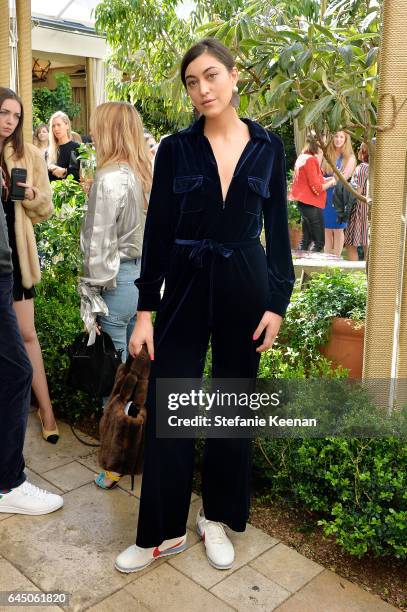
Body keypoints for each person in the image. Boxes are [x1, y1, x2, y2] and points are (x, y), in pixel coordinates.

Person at [115, 38, 295, 573]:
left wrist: (278, 301)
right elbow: (159, 233)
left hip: (246, 283)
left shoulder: (269, 146)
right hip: (187, 285)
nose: (202, 89)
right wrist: (146, 309)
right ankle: (162, 532)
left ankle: (215, 517)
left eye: (211, 75)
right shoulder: (174, 149)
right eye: (192, 81)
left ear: (235, 77)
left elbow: (279, 234)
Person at [78, 101, 152, 490]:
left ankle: (116, 462)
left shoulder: (109, 178)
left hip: (116, 282)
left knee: (118, 380)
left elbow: (97, 247)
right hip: (144, 283)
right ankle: (138, 453)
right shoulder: (145, 174)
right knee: (138, 375)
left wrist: (88, 294)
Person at [0, 87, 59, 447]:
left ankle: (47, 411)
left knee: (27, 334)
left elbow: (46, 209)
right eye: (4, 113)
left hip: (14, 259)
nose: (10, 121)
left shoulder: (29, 154)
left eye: (16, 115)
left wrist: (34, 197)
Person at [289, 136, 336, 252]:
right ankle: (308, 269)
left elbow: (311, 180)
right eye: (323, 142)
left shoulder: (302, 157)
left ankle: (303, 269)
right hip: (311, 204)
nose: (325, 145)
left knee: (306, 240)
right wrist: (332, 183)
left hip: (305, 204)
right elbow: (317, 188)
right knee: (319, 242)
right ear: (317, 144)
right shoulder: (311, 160)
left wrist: (328, 179)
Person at [322, 131, 356, 256]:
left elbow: (343, 178)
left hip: (340, 196)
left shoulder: (350, 158)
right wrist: (330, 180)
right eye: (336, 136)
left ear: (346, 140)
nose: (338, 139)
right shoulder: (327, 155)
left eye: (342, 137)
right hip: (326, 196)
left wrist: (327, 182)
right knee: (327, 229)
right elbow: (321, 175)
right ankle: (327, 258)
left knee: (338, 229)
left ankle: (336, 259)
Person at [344, 143, 369, 261]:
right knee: (366, 242)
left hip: (358, 207)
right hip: (368, 207)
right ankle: (368, 272)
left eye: (359, 148)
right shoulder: (373, 167)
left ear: (364, 152)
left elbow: (356, 191)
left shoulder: (362, 168)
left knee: (350, 243)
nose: (358, 150)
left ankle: (354, 275)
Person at [47, 111, 80, 182]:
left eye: (59, 125)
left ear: (67, 126)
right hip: (50, 192)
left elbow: (78, 175)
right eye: (53, 126)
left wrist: (64, 172)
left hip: (69, 192)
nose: (56, 129)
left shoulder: (75, 148)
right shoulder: (49, 151)